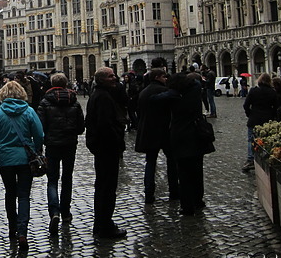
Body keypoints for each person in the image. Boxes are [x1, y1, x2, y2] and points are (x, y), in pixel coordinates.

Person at [0, 80, 44, 251]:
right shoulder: (28, 110)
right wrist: (37, 149)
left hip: (5, 160)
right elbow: (39, 134)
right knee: (24, 195)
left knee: (10, 193)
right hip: (25, 158)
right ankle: (22, 231)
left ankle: (12, 227)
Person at [37, 73, 85, 234]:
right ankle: (66, 212)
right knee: (67, 178)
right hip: (70, 144)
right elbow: (81, 128)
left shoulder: (45, 102)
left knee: (52, 179)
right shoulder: (75, 101)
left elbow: (40, 127)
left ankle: (54, 212)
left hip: (52, 144)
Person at [85, 67, 127, 238]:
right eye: (111, 76)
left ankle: (101, 223)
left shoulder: (100, 94)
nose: (114, 78)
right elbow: (105, 125)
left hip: (102, 147)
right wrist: (117, 139)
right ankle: (104, 225)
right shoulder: (102, 97)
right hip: (107, 147)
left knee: (103, 186)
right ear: (102, 79)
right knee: (107, 188)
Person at [158, 73, 208, 216]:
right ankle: (198, 200)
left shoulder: (174, 96)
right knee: (197, 170)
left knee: (184, 173)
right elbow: (196, 83)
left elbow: (154, 99)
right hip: (198, 135)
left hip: (180, 136)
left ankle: (187, 206)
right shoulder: (195, 91)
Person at [135, 68, 178, 204]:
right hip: (164, 130)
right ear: (158, 77)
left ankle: (149, 193)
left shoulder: (143, 92)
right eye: (164, 77)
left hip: (148, 131)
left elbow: (139, 112)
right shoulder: (164, 91)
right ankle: (174, 191)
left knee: (150, 163)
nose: (166, 79)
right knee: (171, 161)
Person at [242, 73, 281, 172]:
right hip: (267, 120)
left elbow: (246, 105)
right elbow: (276, 106)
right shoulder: (272, 92)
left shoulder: (253, 91)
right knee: (264, 140)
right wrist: (272, 115)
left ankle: (250, 159)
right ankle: (265, 158)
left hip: (254, 119)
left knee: (251, 140)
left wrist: (250, 114)